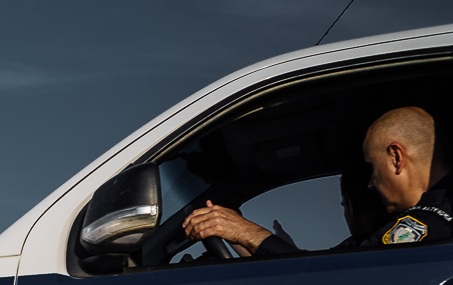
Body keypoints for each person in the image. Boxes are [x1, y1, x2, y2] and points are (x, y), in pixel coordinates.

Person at [182, 107, 450, 255]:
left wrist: (248, 232)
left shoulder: (432, 222)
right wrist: (246, 239)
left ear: (396, 157)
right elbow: (328, 266)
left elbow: (339, 280)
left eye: (372, 168)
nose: (370, 184)